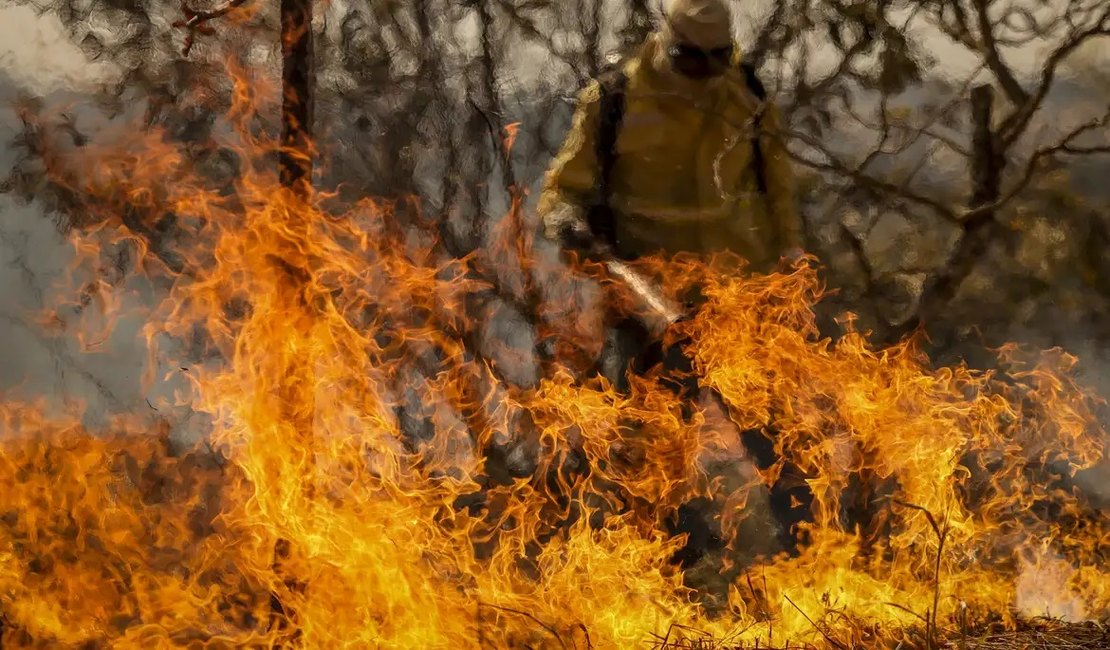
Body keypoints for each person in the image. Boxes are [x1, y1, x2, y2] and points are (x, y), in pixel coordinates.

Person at [537, 0, 810, 608]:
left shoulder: (746, 94)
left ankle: (811, 578)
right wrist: (569, 224)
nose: (705, 70)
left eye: (718, 57)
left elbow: (779, 190)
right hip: (647, 311)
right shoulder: (615, 99)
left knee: (777, 447)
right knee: (659, 454)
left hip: (738, 302)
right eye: (692, 57)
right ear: (667, 45)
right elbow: (564, 190)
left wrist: (792, 268)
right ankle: (677, 589)